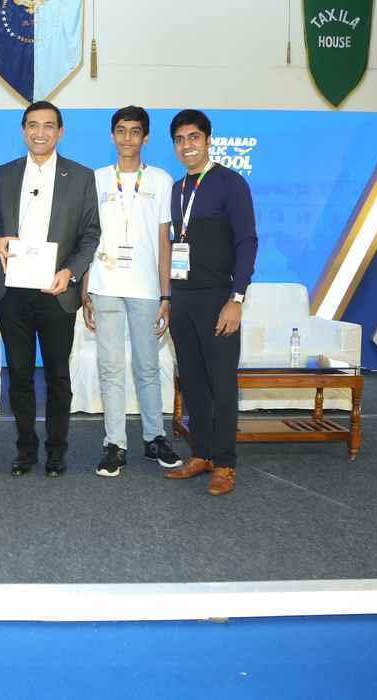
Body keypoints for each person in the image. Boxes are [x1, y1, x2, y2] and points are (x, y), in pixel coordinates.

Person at [0, 100, 101, 478]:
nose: (40, 133)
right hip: (12, 292)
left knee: (57, 376)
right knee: (19, 375)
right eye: (33, 125)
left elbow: (90, 235)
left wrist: (70, 272)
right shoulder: (3, 174)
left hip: (57, 291)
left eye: (48, 126)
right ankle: (25, 449)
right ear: (23, 131)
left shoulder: (81, 177)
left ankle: (57, 450)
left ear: (60, 132)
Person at [80, 106, 183, 477]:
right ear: (112, 136)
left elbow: (164, 242)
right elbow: (87, 238)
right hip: (104, 286)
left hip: (146, 289)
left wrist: (166, 295)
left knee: (147, 366)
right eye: (121, 130)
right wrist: (85, 292)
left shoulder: (161, 180)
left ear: (145, 137)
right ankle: (115, 443)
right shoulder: (95, 179)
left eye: (135, 131)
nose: (127, 138)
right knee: (110, 368)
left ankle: (155, 438)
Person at [163, 109, 257, 496]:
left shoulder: (230, 183)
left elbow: (247, 242)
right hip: (183, 298)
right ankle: (201, 454)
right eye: (180, 139)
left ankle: (225, 463)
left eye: (194, 137)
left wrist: (237, 298)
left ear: (207, 140)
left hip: (219, 298)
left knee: (221, 383)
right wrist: (169, 298)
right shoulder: (177, 189)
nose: (187, 145)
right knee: (193, 381)